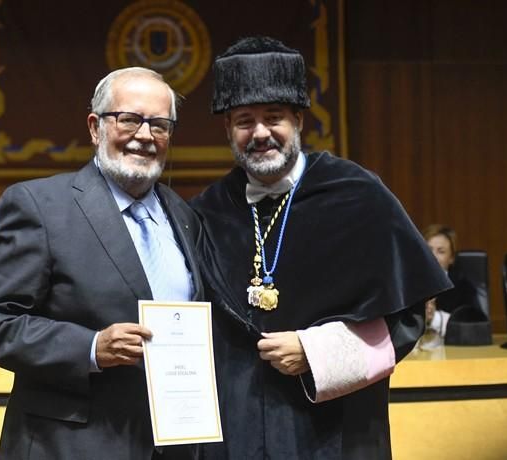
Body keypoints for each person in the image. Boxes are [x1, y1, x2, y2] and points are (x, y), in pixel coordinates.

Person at [190, 36, 451, 459]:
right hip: (236, 430)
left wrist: (315, 352)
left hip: (336, 427)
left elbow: (405, 318)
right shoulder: (209, 210)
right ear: (227, 128)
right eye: (244, 120)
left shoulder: (360, 195)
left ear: (298, 119)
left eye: (274, 117)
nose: (260, 133)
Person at [0, 67, 203, 460]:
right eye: (129, 119)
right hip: (69, 444)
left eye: (159, 125)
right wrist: (91, 347)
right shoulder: (41, 206)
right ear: (95, 127)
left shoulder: (185, 216)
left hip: (171, 444)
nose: (145, 136)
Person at [422, 224, 490, 344]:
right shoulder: (406, 286)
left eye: (441, 251)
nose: (433, 256)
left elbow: (477, 328)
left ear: (451, 257)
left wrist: (435, 319)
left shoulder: (463, 287)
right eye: (428, 250)